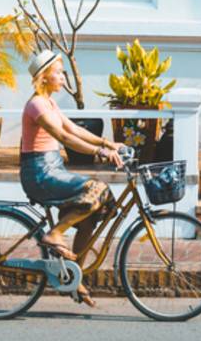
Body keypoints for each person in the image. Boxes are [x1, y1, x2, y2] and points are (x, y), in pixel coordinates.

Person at [19, 49, 125, 307]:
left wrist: (107, 142)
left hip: (53, 168)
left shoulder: (50, 102)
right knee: (97, 189)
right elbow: (64, 138)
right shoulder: (36, 105)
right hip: (39, 173)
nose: (63, 76)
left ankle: (72, 276)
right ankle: (55, 234)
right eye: (58, 71)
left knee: (93, 214)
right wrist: (101, 152)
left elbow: (73, 128)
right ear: (44, 77)